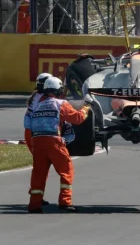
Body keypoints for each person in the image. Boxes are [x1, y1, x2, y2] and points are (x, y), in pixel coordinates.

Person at [25, 76, 92, 213]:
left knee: (38, 173)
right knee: (66, 170)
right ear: (58, 90)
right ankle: (65, 201)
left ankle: (34, 204)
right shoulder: (61, 103)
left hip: (36, 141)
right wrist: (86, 107)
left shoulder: (38, 104)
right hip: (53, 141)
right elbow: (77, 119)